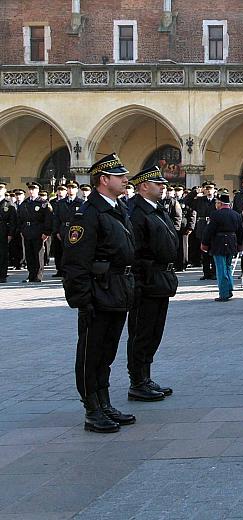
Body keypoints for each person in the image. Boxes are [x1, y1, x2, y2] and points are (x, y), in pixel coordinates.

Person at [62, 153, 136, 433]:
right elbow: (75, 262)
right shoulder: (88, 214)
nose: (125, 180)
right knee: (91, 353)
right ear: (103, 180)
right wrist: (82, 300)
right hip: (98, 294)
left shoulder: (116, 208)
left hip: (117, 291)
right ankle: (92, 408)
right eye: (120, 176)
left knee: (107, 353)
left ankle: (104, 401)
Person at [125, 166, 179, 402]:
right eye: (158, 184)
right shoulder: (136, 212)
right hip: (146, 281)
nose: (162, 187)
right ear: (144, 186)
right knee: (141, 332)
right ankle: (137, 381)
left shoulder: (158, 209)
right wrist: (141, 278)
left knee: (154, 331)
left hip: (159, 279)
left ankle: (145, 377)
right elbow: (135, 251)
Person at [201, 190, 243, 302]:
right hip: (231, 242)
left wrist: (204, 244)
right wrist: (240, 245)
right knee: (228, 267)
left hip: (218, 243)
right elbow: (240, 231)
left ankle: (224, 293)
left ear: (220, 203)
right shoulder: (236, 215)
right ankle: (229, 288)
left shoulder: (215, 214)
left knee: (221, 269)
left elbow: (209, 231)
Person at [17, 181, 52, 283]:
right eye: (30, 189)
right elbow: (20, 218)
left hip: (38, 231)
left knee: (38, 254)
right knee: (29, 254)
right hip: (27, 231)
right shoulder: (25, 203)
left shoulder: (43, 203)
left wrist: (46, 232)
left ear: (38, 190)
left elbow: (48, 219)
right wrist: (21, 230)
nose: (31, 191)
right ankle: (31, 274)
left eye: (33, 189)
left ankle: (38, 275)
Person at [186, 181, 217, 280]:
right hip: (202, 226)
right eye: (207, 188)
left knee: (213, 252)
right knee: (204, 252)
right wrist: (195, 192)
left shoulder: (217, 200)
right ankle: (206, 273)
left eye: (210, 188)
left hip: (213, 226)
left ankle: (214, 273)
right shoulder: (200, 200)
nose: (209, 190)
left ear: (214, 190)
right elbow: (186, 201)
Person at [0, 183, 18, 283]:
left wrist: (11, 234)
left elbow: (13, 220)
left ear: (4, 190)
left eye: (1, 189)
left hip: (3, 231)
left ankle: (2, 275)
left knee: (3, 253)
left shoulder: (9, 204)